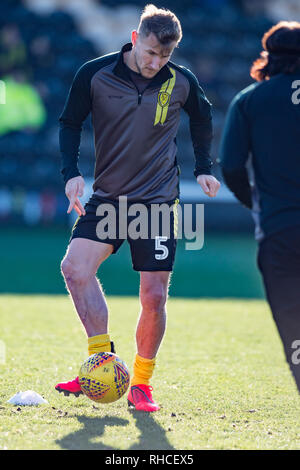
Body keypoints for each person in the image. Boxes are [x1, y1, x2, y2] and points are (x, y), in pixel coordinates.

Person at [55, 4, 220, 411]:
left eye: (165, 55)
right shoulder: (94, 74)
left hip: (158, 202)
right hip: (108, 198)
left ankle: (141, 384)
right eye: (150, 52)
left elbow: (203, 117)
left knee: (153, 296)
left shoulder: (181, 81)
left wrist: (203, 167)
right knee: (75, 270)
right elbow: (70, 122)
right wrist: (70, 173)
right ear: (134, 38)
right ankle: (101, 362)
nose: (155, 62)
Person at [219, 21, 300, 393]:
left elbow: (232, 166)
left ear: (268, 57)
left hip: (280, 231)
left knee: (294, 332)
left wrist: (258, 203)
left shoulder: (250, 100)